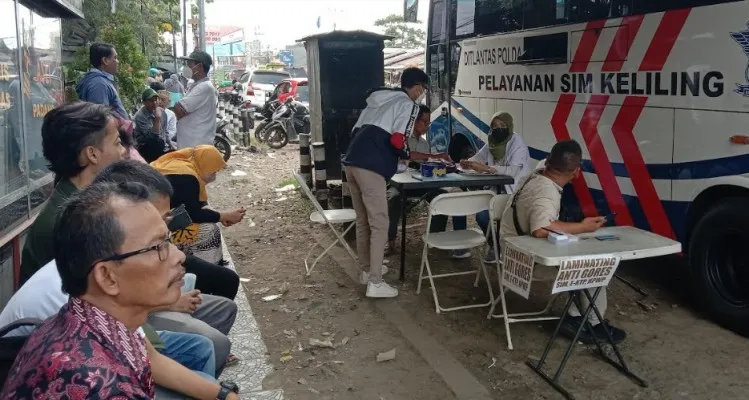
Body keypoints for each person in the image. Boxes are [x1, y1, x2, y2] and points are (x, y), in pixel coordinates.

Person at [1, 182, 239, 400]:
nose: (178, 256)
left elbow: (150, 359)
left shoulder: (90, 318)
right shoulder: (103, 388)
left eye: (168, 240)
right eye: (158, 247)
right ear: (107, 277)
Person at [498, 139, 626, 344]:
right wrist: (584, 227)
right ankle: (593, 323)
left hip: (513, 246)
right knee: (595, 264)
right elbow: (540, 229)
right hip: (521, 261)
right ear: (576, 172)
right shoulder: (546, 192)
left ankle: (574, 318)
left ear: (548, 161)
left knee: (582, 257)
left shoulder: (537, 173)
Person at [342, 67, 428, 298]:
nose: (421, 94)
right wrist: (404, 157)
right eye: (423, 89)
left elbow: (354, 130)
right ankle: (376, 283)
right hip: (371, 166)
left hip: (351, 161)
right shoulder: (409, 105)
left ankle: (366, 270)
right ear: (418, 87)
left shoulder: (378, 100)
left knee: (363, 220)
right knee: (380, 223)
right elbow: (399, 139)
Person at [20, 102, 125, 284]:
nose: (124, 151)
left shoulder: (84, 198)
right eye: (117, 143)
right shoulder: (71, 221)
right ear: (92, 154)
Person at [451, 111, 532, 263]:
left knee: (483, 215)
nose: (497, 129)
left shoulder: (517, 143)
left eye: (502, 126)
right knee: (459, 202)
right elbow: (478, 158)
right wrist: (467, 163)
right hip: (494, 191)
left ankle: (497, 247)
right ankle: (479, 245)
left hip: (513, 192)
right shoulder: (492, 142)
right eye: (494, 126)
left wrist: (487, 169)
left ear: (509, 126)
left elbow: (513, 171)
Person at [152, 145, 245, 264]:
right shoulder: (187, 177)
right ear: (205, 164)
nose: (214, 177)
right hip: (156, 229)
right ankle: (211, 268)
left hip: (156, 217)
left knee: (207, 213)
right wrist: (223, 216)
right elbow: (193, 215)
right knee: (208, 230)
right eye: (213, 171)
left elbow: (193, 204)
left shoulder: (181, 164)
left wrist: (220, 215)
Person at [385, 104, 451, 255]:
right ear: (414, 121)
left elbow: (426, 164)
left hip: (418, 183)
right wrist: (435, 156)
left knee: (442, 196)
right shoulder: (401, 138)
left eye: (429, 123)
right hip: (399, 183)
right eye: (425, 122)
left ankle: (435, 238)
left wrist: (439, 164)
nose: (427, 126)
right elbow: (408, 155)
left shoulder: (424, 143)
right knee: (393, 199)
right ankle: (390, 241)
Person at [174, 51, 218, 149]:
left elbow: (180, 110)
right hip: (191, 145)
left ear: (199, 66)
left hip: (196, 146)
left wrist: (168, 100)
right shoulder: (196, 85)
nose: (187, 67)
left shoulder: (204, 87)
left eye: (190, 64)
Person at [76, 43, 129, 121]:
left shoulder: (101, 81)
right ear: (105, 61)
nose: (117, 61)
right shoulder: (99, 85)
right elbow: (101, 120)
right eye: (115, 58)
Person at [134, 87, 173, 162]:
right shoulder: (140, 115)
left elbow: (165, 131)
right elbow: (152, 136)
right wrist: (157, 118)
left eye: (156, 100)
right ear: (144, 102)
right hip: (145, 146)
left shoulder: (162, 112)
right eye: (151, 101)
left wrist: (170, 144)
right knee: (157, 142)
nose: (155, 103)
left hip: (160, 145)